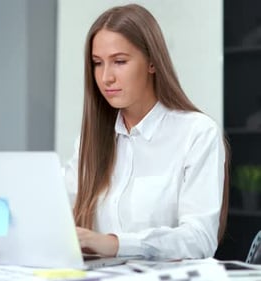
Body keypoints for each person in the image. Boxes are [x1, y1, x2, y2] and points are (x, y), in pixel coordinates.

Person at [63, 4, 230, 260]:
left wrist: (115, 244)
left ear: (152, 62)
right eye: (97, 63)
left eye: (119, 61)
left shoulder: (197, 133)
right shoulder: (90, 141)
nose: (106, 77)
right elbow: (59, 210)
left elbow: (199, 239)